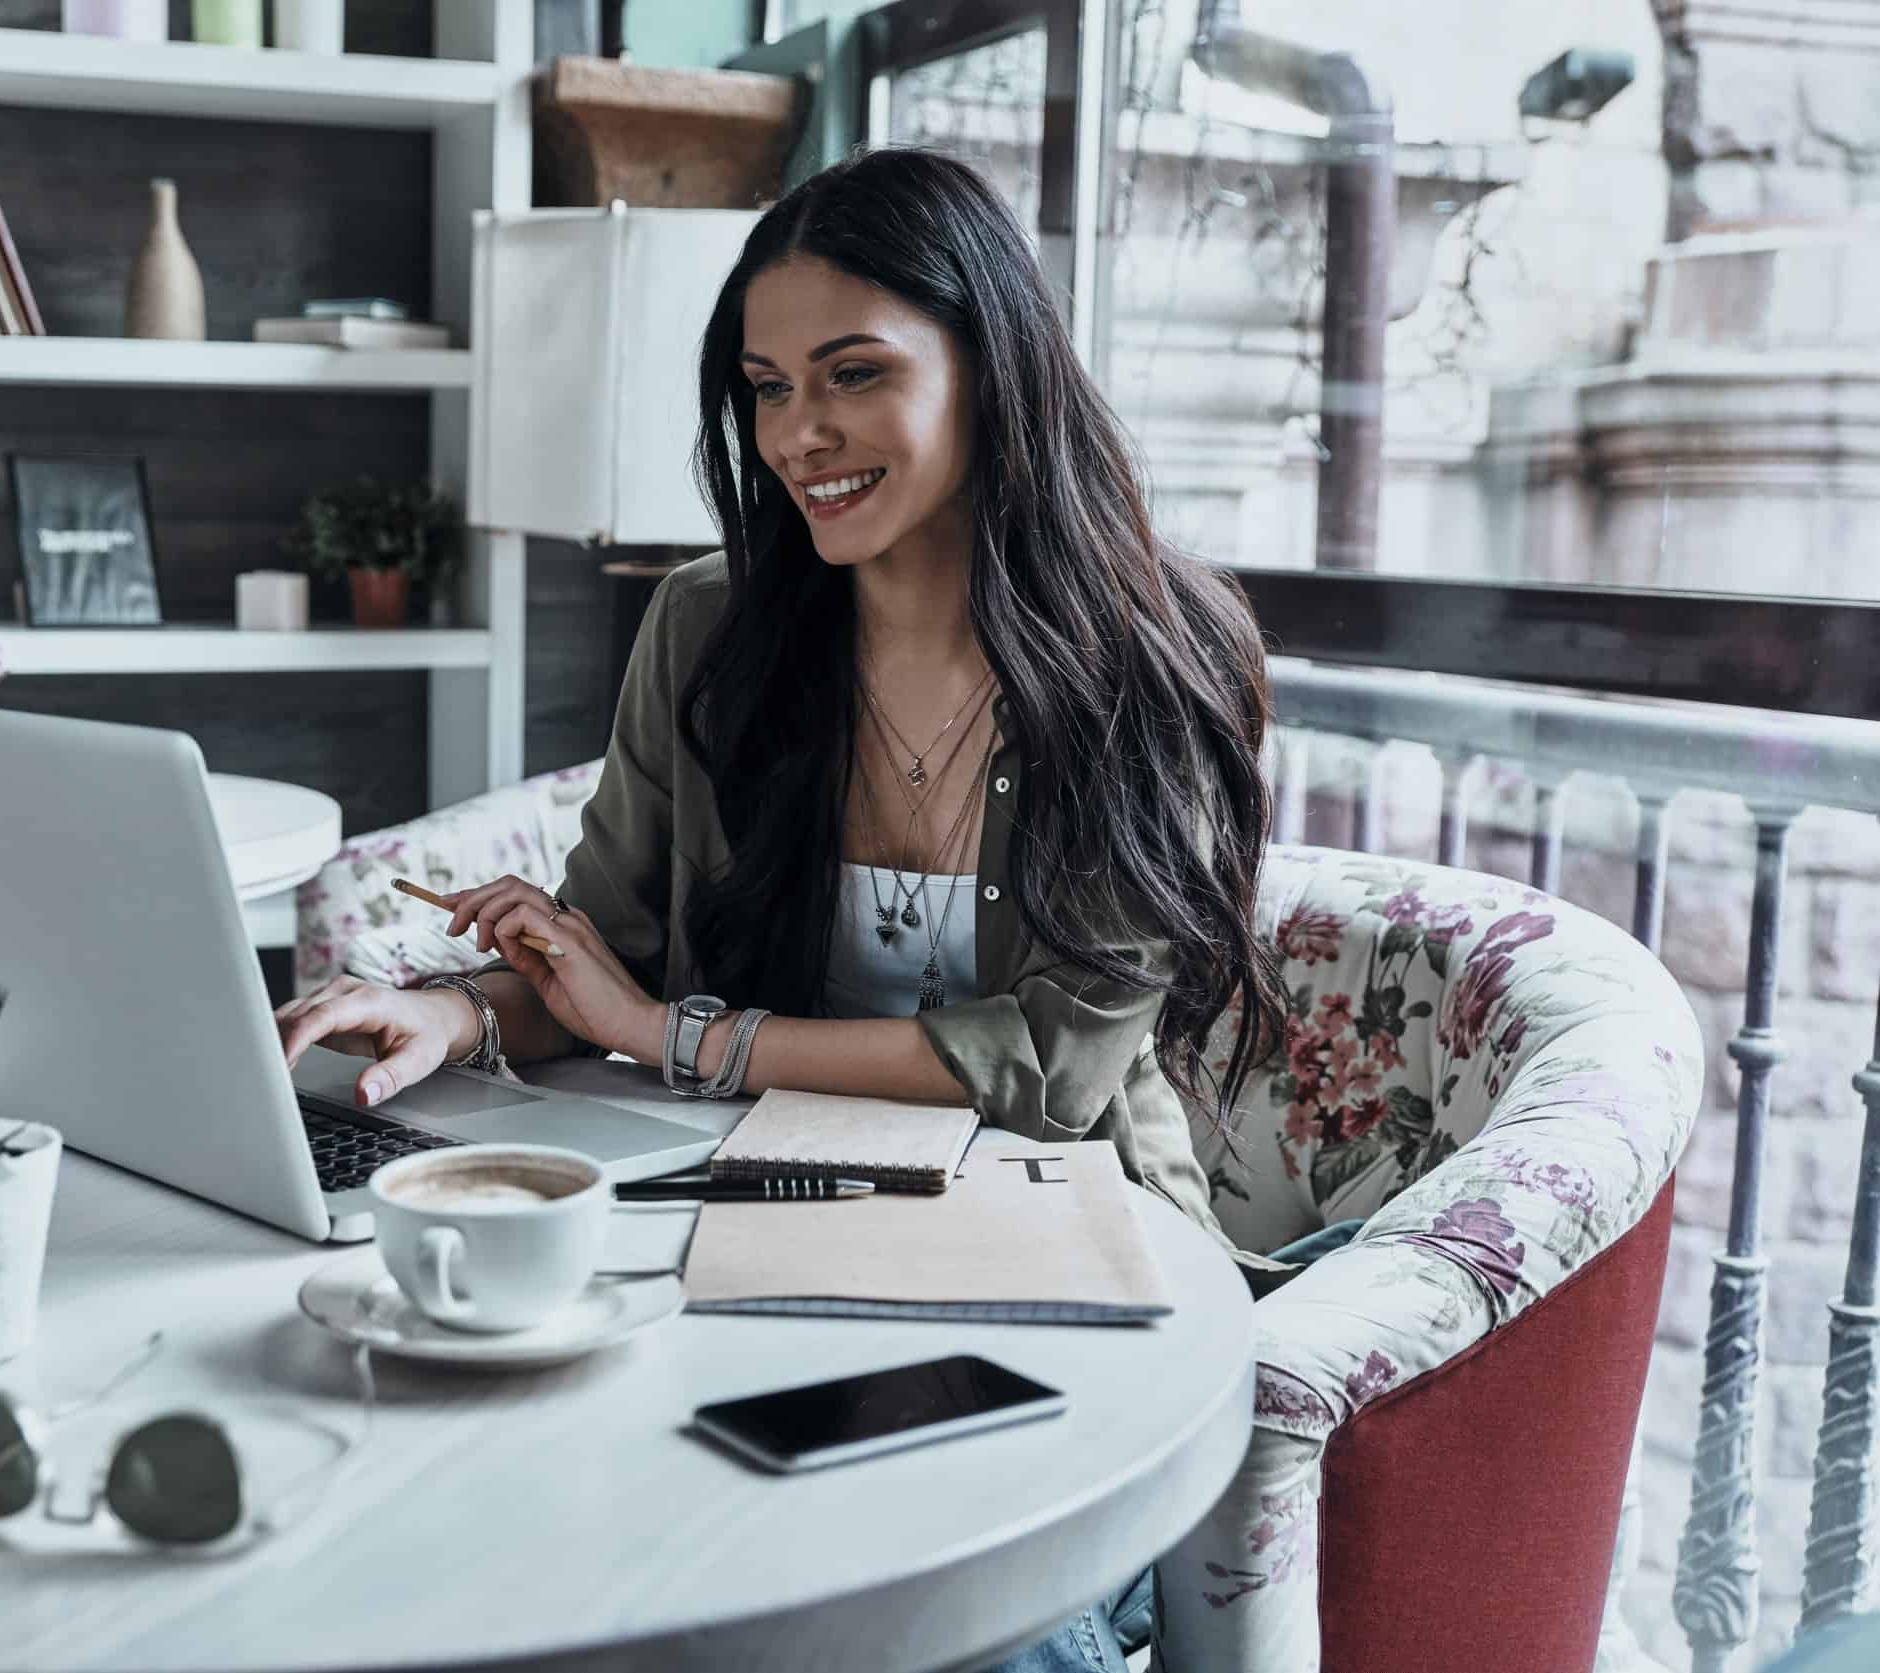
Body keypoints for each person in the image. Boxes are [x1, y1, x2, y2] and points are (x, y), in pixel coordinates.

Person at [275, 146, 1288, 1670]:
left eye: (852, 374)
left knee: (952, 1621)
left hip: (1053, 1269)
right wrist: (451, 1006)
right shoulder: (706, 627)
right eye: (762, 386)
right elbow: (597, 944)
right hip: (744, 1240)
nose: (798, 435)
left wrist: (686, 1040)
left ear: (994, 365)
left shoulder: (1141, 665)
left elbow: (1057, 1066)